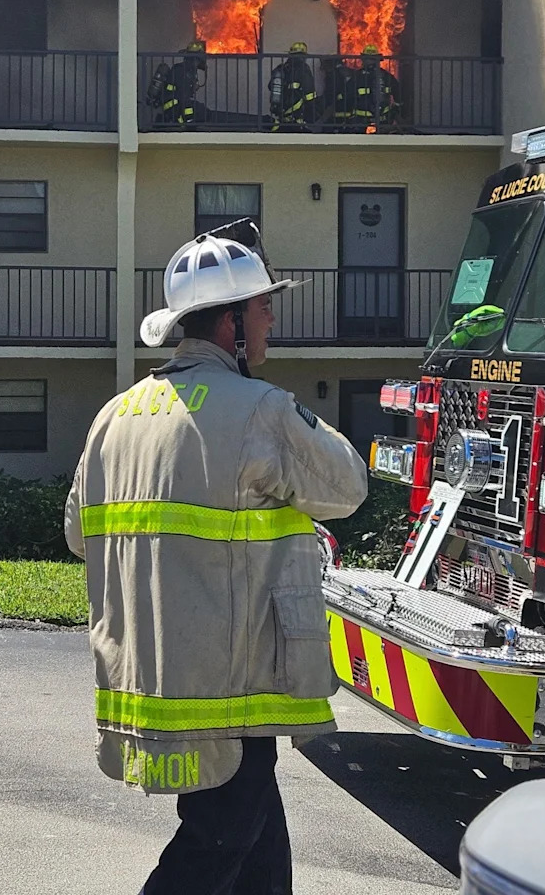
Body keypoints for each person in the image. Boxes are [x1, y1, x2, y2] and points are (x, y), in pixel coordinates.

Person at [65, 219, 368, 894]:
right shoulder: (260, 409)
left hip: (155, 684)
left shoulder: (113, 417)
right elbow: (347, 486)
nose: (270, 323)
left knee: (252, 837)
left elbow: (78, 536)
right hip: (232, 685)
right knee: (217, 843)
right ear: (231, 324)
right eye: (263, 308)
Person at [332, 44, 402, 131]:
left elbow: (347, 96)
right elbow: (399, 95)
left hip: (361, 121)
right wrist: (396, 110)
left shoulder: (357, 76)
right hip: (383, 121)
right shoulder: (387, 76)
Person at [147, 40, 207, 126]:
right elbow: (183, 95)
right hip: (174, 106)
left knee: (201, 109)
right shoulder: (182, 70)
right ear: (195, 58)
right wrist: (189, 121)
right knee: (199, 111)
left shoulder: (188, 71)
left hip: (178, 104)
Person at [267, 41, 316, 131]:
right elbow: (309, 94)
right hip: (296, 118)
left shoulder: (281, 68)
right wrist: (313, 114)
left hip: (281, 116)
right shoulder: (304, 69)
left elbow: (270, 86)